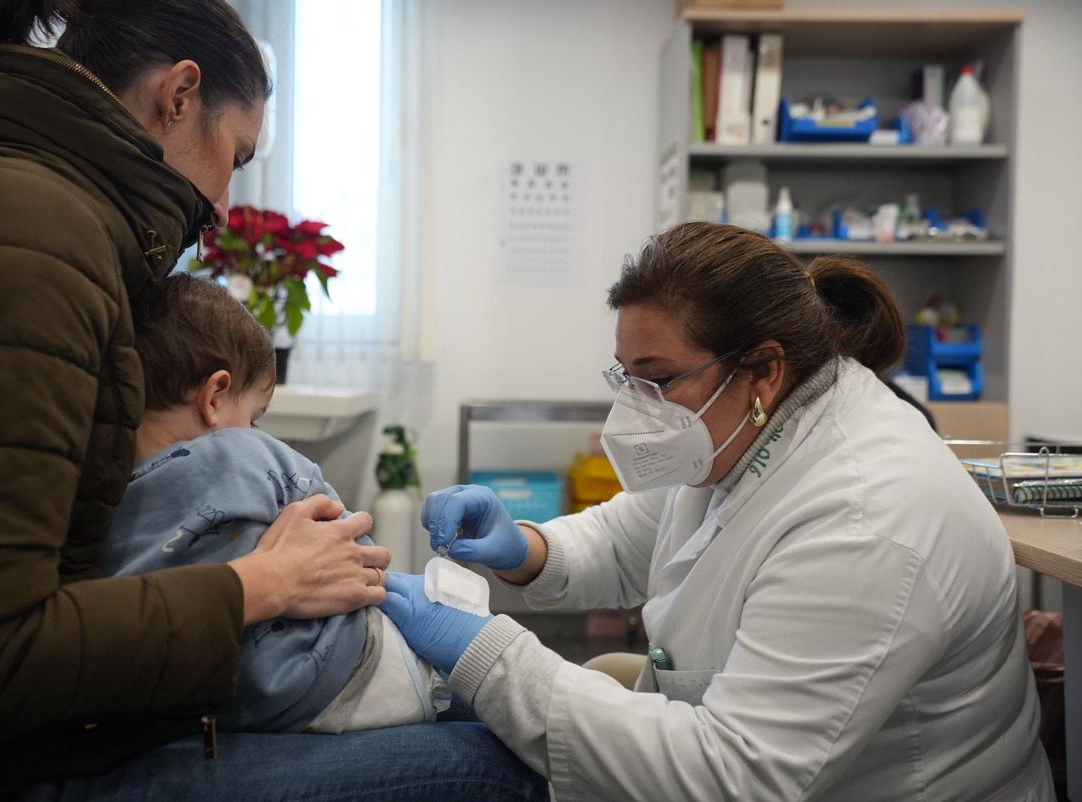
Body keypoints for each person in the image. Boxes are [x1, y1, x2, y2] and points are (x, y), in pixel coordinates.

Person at [0, 2, 544, 800]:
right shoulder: (23, 242)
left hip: (54, 731)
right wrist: (263, 585)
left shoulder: (33, 218)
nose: (227, 206)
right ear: (180, 95)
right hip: (8, 766)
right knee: (506, 769)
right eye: (237, 155)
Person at [382, 223, 1055, 800]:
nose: (637, 406)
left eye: (658, 378)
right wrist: (526, 548)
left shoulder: (865, 518)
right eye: (626, 376)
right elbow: (633, 538)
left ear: (761, 367)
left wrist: (486, 654)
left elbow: (736, 776)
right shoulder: (753, 423)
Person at [103, 274, 448, 733]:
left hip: (241, 710)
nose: (253, 430)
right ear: (215, 396)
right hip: (353, 668)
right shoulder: (245, 452)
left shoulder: (107, 504)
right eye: (254, 416)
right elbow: (351, 545)